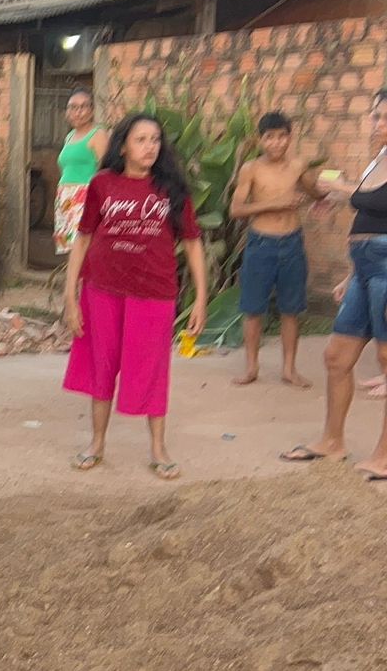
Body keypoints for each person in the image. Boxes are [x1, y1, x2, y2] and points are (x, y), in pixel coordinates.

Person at [64, 113, 208, 481]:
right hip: (103, 290)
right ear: (124, 145)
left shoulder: (172, 189)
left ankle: (158, 449)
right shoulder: (102, 184)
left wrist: (201, 299)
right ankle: (96, 443)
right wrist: (70, 296)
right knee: (102, 366)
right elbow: (83, 239)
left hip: (154, 292)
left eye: (155, 140)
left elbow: (192, 243)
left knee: (153, 370)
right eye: (141, 139)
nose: (150, 147)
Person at [283, 89, 387, 479]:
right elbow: (371, 211)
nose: (379, 124)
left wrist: (343, 189)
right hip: (365, 266)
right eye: (376, 115)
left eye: (385, 117)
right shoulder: (379, 158)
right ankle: (332, 442)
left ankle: (384, 455)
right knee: (336, 357)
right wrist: (351, 272)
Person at [229, 112, 330, 388]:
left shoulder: (298, 165)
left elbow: (313, 191)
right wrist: (276, 204)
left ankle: (289, 369)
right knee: (253, 309)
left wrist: (327, 190)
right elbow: (236, 209)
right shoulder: (251, 169)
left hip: (292, 244)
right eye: (270, 137)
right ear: (260, 140)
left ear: (290, 137)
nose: (276, 143)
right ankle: (251, 368)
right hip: (261, 244)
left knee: (291, 309)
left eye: (282, 136)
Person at [55, 89, 109, 256]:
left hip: (85, 198)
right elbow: (65, 168)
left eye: (83, 107)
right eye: (73, 107)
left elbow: (106, 170)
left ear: (91, 110)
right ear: (67, 112)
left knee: (85, 247)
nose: (78, 112)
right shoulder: (69, 136)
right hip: (66, 198)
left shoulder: (98, 134)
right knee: (71, 249)